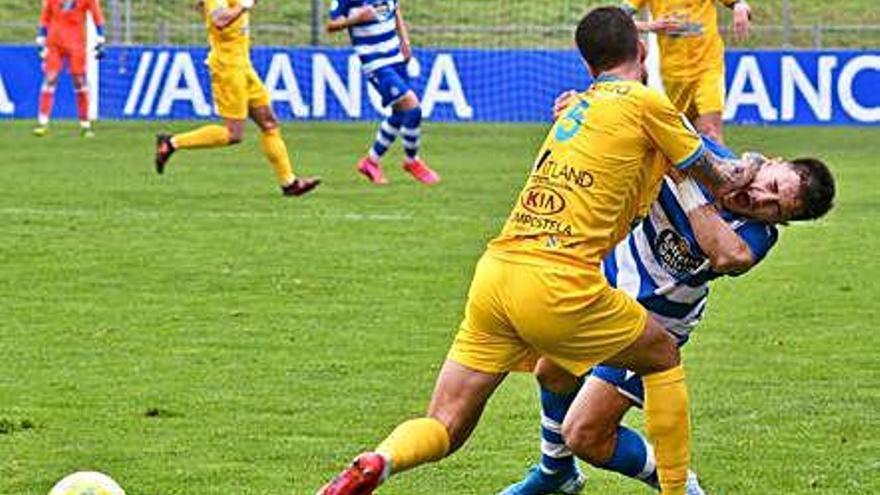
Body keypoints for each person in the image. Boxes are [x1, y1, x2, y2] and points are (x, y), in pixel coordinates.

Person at [317, 8, 761, 495]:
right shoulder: (647, 104)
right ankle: (678, 488)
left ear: (588, 66)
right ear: (641, 52)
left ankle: (381, 459)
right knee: (661, 352)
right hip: (557, 281)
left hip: (497, 273)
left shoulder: (574, 109)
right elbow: (719, 180)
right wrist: (750, 167)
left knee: (446, 424)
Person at [498, 130, 835, 495]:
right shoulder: (706, 155)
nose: (760, 198)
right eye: (770, 184)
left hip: (653, 327)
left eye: (775, 206)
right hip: (606, 291)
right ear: (771, 162)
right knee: (552, 372)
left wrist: (686, 182)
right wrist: (581, 113)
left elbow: (728, 256)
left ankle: (675, 481)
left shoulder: (756, 235)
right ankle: (556, 472)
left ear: (779, 222)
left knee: (586, 435)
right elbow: (636, 119)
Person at [154, 0, 319, 197]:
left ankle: (289, 183)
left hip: (244, 65)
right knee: (234, 134)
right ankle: (172, 143)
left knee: (269, 124)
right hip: (228, 69)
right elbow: (219, 20)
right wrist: (244, 5)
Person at [326, 0, 439, 185]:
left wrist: (404, 40)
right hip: (376, 63)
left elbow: (395, 9)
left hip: (395, 57)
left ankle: (370, 161)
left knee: (400, 113)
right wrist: (355, 19)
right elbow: (331, 25)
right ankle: (412, 161)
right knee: (413, 108)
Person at [623, 0, 753, 143]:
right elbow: (618, 19)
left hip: (707, 66)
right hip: (673, 74)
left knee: (710, 133)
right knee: (685, 141)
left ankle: (727, 164)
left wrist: (740, 7)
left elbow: (737, 3)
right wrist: (651, 26)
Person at [33, 0, 106, 138]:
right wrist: (41, 38)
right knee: (50, 78)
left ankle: (85, 124)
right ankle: (42, 123)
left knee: (79, 80)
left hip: (76, 43)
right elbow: (45, 16)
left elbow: (97, 15)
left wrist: (101, 38)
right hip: (54, 42)